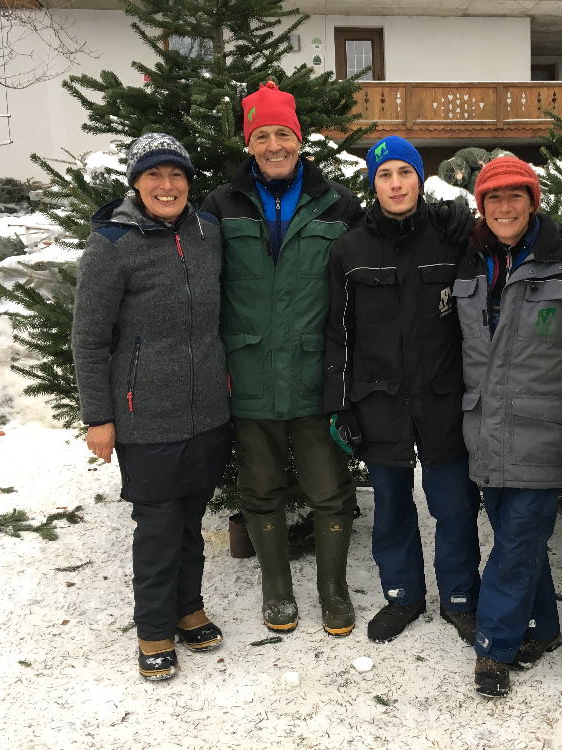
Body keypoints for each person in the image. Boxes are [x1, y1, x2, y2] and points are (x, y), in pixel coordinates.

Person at [202, 82, 361, 638]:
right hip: (249, 377)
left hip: (315, 376)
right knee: (261, 487)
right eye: (262, 135)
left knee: (329, 489)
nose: (274, 145)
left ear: (300, 139)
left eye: (284, 134)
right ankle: (276, 588)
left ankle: (333, 589)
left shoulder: (338, 203)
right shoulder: (220, 207)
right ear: (250, 143)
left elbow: (363, 278)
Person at [73, 133, 231, 681]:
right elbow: (89, 338)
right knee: (159, 526)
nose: (167, 186)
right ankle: (154, 629)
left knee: (191, 519)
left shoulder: (208, 232)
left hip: (209, 409)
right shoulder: (112, 244)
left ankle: (189, 608)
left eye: (176, 175)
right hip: (146, 415)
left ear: (189, 181)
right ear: (136, 182)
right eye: (154, 175)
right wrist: (99, 416)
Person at [323, 135, 482, 645]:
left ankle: (460, 597)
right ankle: (403, 595)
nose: (396, 184)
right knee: (391, 504)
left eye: (405, 173)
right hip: (378, 400)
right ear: (374, 183)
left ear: (419, 178)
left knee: (454, 504)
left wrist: (466, 223)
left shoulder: (450, 236)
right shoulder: (351, 248)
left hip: (442, 397)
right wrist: (339, 402)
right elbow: (336, 333)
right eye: (385, 175)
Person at [452, 156, 562, 697]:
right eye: (494, 198)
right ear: (480, 206)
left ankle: (495, 647)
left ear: (533, 202)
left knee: (514, 543)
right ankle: (545, 628)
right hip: (483, 426)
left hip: (542, 428)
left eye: (516, 196)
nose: (505, 207)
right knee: (517, 539)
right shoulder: (467, 261)